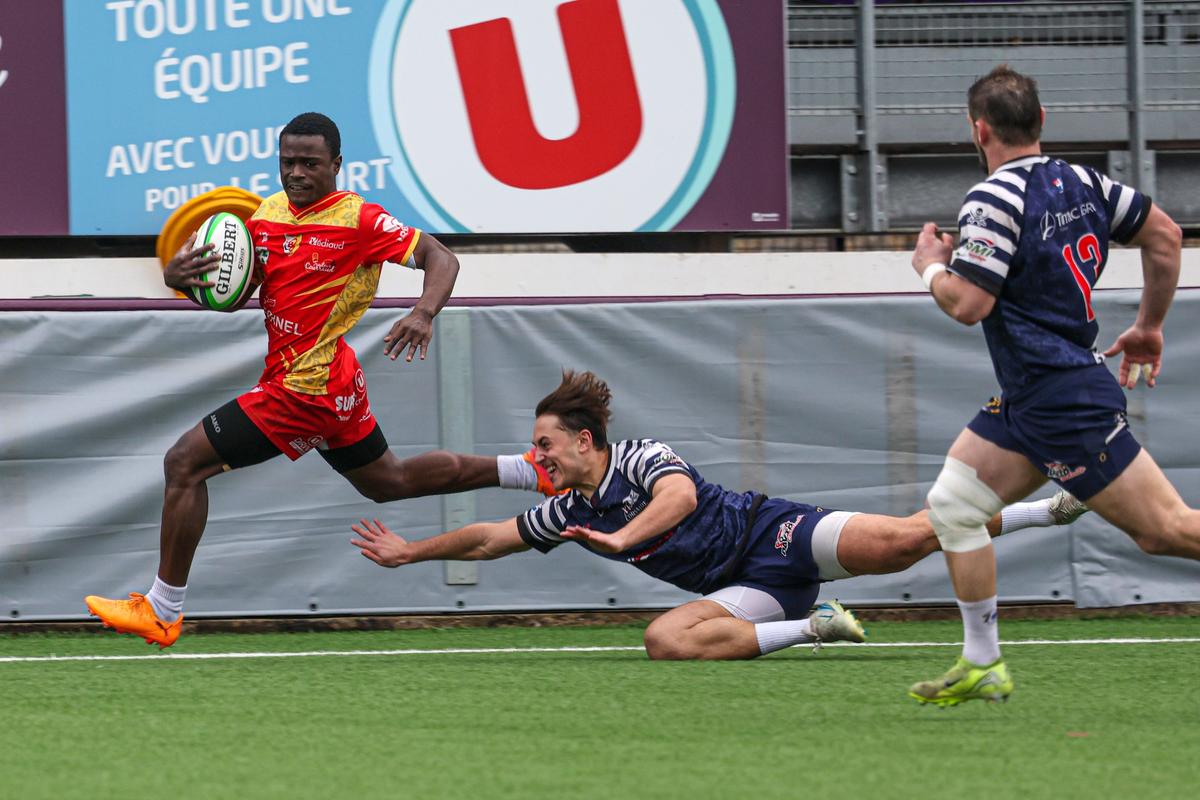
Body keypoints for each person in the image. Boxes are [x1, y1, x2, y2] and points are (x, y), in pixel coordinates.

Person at [85, 113, 556, 648]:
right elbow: (240, 293)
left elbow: (439, 258)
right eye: (288, 162)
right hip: (330, 381)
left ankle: (163, 609)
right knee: (389, 482)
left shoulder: (360, 221)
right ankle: (528, 470)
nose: (297, 173)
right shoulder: (267, 215)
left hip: (303, 392)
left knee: (183, 463)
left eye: (310, 163)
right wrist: (184, 280)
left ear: (336, 164)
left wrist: (423, 313)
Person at [349, 370, 1088, 661]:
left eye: (543, 442)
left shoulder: (637, 456)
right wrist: (409, 552)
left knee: (905, 541)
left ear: (583, 441)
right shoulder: (566, 507)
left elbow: (682, 499)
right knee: (664, 641)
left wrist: (621, 536)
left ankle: (1042, 511)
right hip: (747, 588)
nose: (533, 454)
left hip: (775, 536)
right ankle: (815, 628)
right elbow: (487, 539)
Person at [906, 65, 1187, 705]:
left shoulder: (990, 199)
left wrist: (929, 267)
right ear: (1041, 123)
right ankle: (984, 663)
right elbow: (1165, 236)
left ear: (979, 130)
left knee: (1164, 531)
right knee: (954, 507)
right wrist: (1148, 326)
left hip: (1059, 394)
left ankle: (984, 660)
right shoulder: (1084, 182)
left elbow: (969, 304)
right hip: (1033, 396)